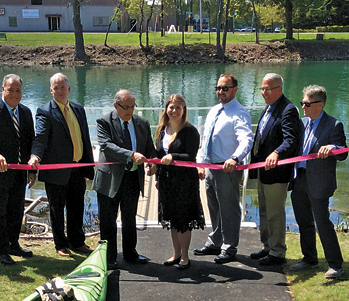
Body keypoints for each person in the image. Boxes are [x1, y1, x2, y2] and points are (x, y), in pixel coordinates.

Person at [29, 73, 95, 257]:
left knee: (77, 207)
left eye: (62, 87)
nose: (59, 90)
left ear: (69, 89)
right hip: (56, 171)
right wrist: (35, 156)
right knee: (57, 210)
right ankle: (61, 244)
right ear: (51, 90)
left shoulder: (78, 109)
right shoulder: (44, 111)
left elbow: (84, 138)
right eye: (55, 87)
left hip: (78, 168)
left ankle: (77, 242)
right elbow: (40, 137)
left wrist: (88, 165)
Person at [93, 89, 157, 269]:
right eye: (126, 107)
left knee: (129, 219)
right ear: (116, 105)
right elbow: (106, 146)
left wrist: (153, 162)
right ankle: (109, 257)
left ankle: (130, 254)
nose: (130, 111)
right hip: (110, 179)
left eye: (132, 106)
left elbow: (149, 148)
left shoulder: (142, 123)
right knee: (108, 220)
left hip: (132, 178)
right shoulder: (104, 122)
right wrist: (131, 155)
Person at [0, 74, 36, 266]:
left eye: (18, 90)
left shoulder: (25, 112)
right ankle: (1, 251)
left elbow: (29, 142)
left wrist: (32, 170)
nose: (15, 94)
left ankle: (13, 244)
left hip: (19, 174)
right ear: (3, 89)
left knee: (16, 212)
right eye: (11, 90)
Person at [193, 74, 253, 264]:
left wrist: (235, 158)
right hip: (210, 167)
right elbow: (206, 138)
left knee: (229, 208)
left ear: (235, 89)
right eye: (218, 88)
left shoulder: (239, 113)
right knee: (215, 207)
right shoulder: (214, 111)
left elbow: (246, 139)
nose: (220, 92)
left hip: (227, 168)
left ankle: (229, 247)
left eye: (225, 88)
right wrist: (201, 162)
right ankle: (215, 241)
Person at [289, 85, 347, 279]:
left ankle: (335, 265)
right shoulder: (301, 123)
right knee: (303, 221)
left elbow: (343, 153)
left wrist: (333, 147)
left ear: (319, 105)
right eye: (302, 103)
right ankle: (309, 258)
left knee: (322, 222)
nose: (303, 107)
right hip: (300, 179)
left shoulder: (334, 125)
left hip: (320, 182)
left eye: (306, 103)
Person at [249, 73, 301, 266]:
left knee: (274, 213)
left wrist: (277, 153)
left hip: (277, 173)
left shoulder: (288, 110)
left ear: (279, 89)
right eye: (262, 88)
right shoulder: (268, 108)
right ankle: (267, 247)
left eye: (267, 89)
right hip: (263, 171)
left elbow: (291, 140)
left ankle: (278, 252)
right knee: (263, 210)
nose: (264, 92)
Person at [155, 94, 205, 270]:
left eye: (178, 107)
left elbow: (190, 156)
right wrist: (156, 176)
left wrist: (173, 156)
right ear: (166, 109)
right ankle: (176, 253)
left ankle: (185, 255)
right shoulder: (163, 129)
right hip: (166, 180)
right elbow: (159, 155)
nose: (174, 111)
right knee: (172, 218)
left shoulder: (190, 131)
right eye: (171, 107)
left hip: (184, 182)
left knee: (182, 220)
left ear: (184, 110)